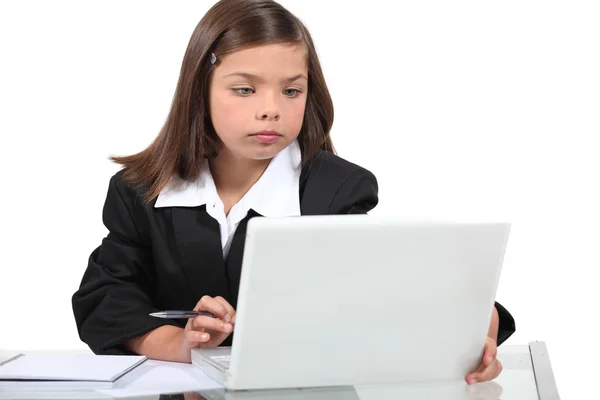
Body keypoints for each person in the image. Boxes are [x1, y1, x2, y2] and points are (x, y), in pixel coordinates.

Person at [71, 0, 515, 385]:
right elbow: (105, 297)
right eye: (244, 89)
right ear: (199, 91)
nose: (270, 109)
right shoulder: (143, 190)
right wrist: (182, 344)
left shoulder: (336, 192)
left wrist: (481, 327)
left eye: (291, 91)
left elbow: (387, 291)